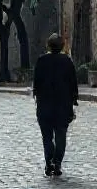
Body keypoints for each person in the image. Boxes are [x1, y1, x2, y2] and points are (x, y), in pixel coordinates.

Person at [32, 33, 78, 176]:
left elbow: (36, 82)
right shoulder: (67, 61)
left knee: (47, 137)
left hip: (45, 105)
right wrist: (74, 100)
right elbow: (73, 83)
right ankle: (57, 163)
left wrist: (37, 97)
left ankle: (49, 163)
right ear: (62, 46)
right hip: (63, 106)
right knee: (61, 136)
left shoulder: (41, 61)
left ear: (48, 45)